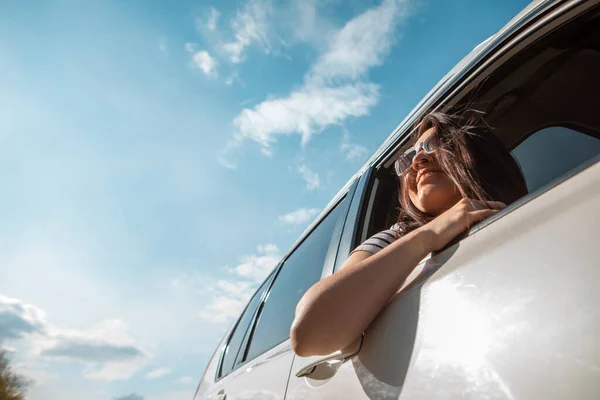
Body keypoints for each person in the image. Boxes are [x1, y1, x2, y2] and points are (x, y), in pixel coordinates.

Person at [290, 111, 528, 357]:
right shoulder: (396, 237)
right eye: (411, 156)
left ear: (478, 156)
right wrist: (431, 233)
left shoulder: (530, 216)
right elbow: (308, 334)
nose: (418, 160)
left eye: (436, 145)